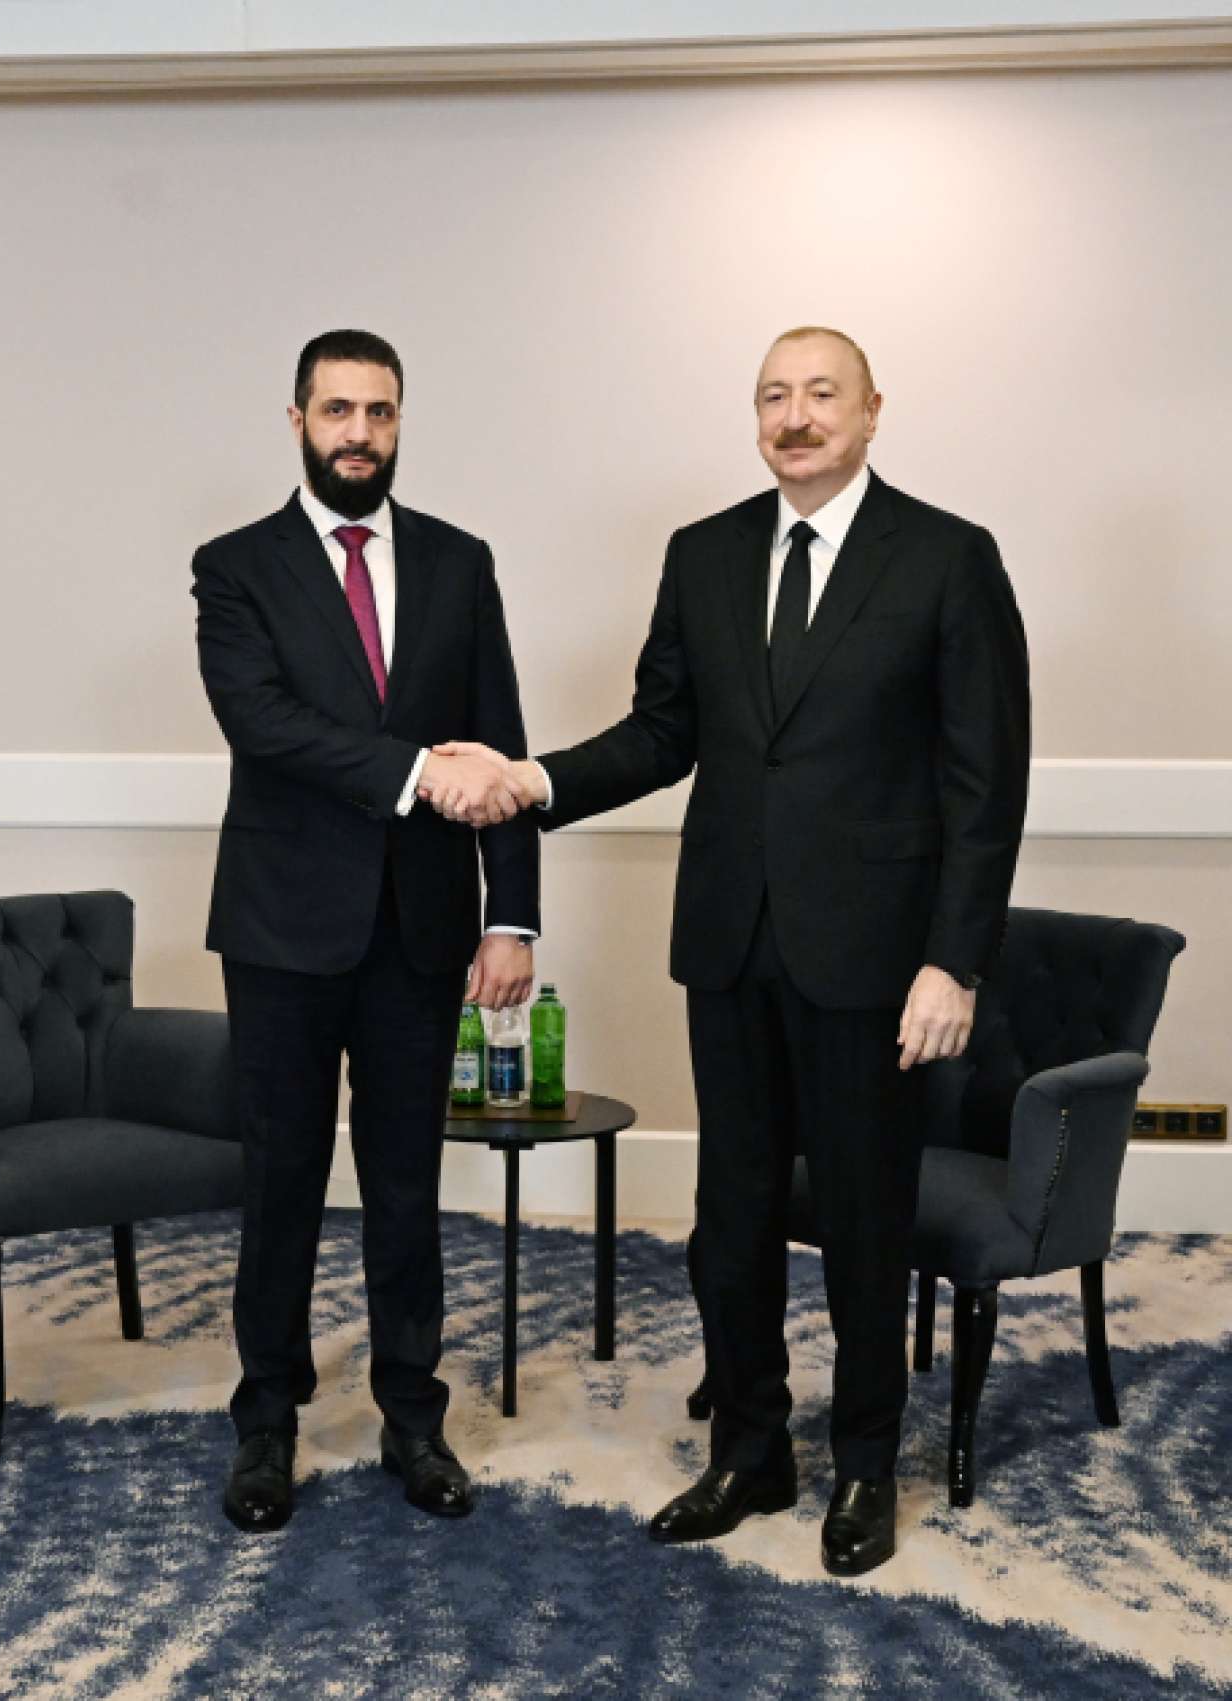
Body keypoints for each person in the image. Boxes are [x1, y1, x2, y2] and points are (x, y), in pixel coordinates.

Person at [423, 326, 1029, 1575]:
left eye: (819, 394)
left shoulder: (946, 557)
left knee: (864, 1219)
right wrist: (532, 778)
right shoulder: (702, 554)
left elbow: (985, 782)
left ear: (871, 410)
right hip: (729, 941)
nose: (793, 417)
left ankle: (863, 1464)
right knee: (729, 1220)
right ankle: (751, 1451)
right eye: (771, 396)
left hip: (874, 958)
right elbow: (661, 734)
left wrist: (952, 961)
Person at [193, 329, 538, 1534]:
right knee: (281, 1180)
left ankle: (412, 1418)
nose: (358, 433)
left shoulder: (458, 561)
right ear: (296, 420)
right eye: (336, 410)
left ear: (399, 422)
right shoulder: (234, 566)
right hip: (281, 929)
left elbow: (498, 740)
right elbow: (262, 722)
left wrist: (511, 915)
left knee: (404, 1184)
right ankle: (265, 1424)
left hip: (420, 930)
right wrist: (415, 773)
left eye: (378, 412)